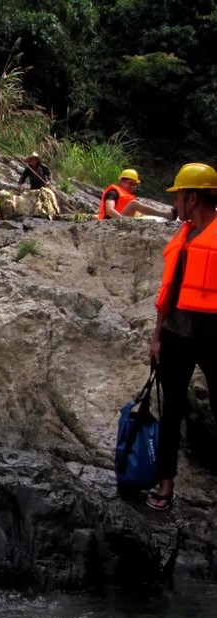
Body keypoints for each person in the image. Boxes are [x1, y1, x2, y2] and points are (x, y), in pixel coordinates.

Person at [145, 163, 217, 511]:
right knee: (171, 409)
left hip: (213, 334)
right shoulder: (182, 234)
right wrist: (157, 337)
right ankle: (166, 483)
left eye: (179, 196)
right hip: (176, 333)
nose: (175, 202)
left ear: (192, 196)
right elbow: (167, 292)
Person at [98, 169, 178, 220]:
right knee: (134, 204)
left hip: (121, 218)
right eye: (130, 183)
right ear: (121, 181)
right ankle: (166, 215)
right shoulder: (113, 193)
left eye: (134, 184)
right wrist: (122, 220)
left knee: (137, 204)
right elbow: (109, 210)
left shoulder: (125, 194)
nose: (132, 186)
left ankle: (165, 216)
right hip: (110, 221)